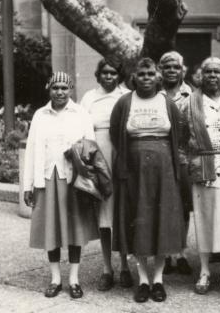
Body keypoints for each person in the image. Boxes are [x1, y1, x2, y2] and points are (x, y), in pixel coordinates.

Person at [110, 58, 186, 303]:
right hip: (134, 168)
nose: (145, 78)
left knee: (162, 221)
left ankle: (158, 279)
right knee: (139, 220)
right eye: (141, 74)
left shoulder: (167, 102)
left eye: (150, 74)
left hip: (163, 167)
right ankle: (143, 279)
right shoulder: (124, 102)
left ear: (158, 76)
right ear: (135, 77)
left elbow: (178, 132)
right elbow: (115, 132)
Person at [23, 72, 99, 299]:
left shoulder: (81, 114)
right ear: (49, 89)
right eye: (55, 87)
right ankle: (55, 278)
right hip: (47, 178)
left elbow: (91, 148)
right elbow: (32, 150)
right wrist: (28, 185)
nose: (59, 92)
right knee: (51, 229)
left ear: (71, 89)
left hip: (73, 179)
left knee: (75, 230)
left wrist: (80, 157)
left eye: (64, 88)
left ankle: (74, 279)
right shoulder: (40, 115)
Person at [179, 56, 220, 295]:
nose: (213, 76)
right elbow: (180, 136)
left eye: (217, 72)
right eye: (208, 72)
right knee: (205, 221)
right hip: (202, 166)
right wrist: (187, 162)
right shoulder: (190, 102)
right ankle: (205, 271)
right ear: (201, 76)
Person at [80, 59, 133, 291]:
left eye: (113, 73)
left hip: (122, 155)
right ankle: (106, 268)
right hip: (99, 157)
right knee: (104, 215)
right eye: (105, 73)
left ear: (119, 76)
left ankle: (124, 267)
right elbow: (82, 131)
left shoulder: (128, 96)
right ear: (98, 75)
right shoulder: (89, 98)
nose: (109, 77)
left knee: (122, 214)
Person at [157, 51, 193, 276]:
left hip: (183, 155)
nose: (172, 71)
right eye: (167, 67)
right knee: (164, 203)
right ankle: (167, 253)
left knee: (183, 205)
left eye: (176, 67)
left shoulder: (191, 94)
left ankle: (180, 253)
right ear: (161, 70)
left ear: (182, 70)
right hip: (160, 155)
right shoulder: (154, 94)